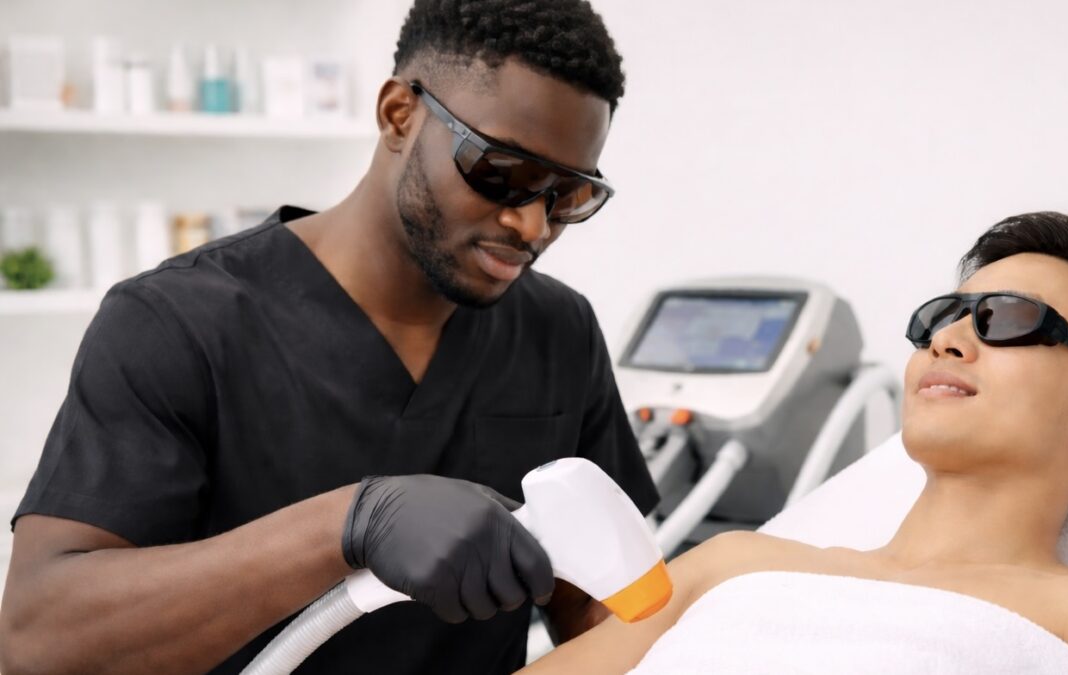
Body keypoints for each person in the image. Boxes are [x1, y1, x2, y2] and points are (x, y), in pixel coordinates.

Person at [0, 1, 659, 673]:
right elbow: (37, 638)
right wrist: (347, 524)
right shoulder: (177, 323)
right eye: (502, 172)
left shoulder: (558, 331)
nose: (530, 225)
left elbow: (597, 602)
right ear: (399, 114)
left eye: (567, 196)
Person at [519, 212, 1068, 673]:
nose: (947, 341)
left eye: (1004, 318)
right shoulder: (731, 564)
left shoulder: (1065, 613)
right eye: (942, 317)